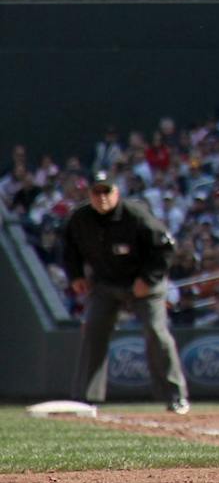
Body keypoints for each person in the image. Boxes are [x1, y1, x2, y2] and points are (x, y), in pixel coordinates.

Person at [61, 172, 189, 414]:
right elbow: (69, 249)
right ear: (89, 194)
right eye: (96, 192)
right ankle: (86, 398)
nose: (102, 197)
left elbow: (165, 247)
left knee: (156, 332)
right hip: (106, 284)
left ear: (116, 192)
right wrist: (75, 275)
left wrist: (147, 279)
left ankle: (175, 396)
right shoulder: (80, 218)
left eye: (106, 191)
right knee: (94, 329)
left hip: (143, 285)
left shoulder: (135, 215)